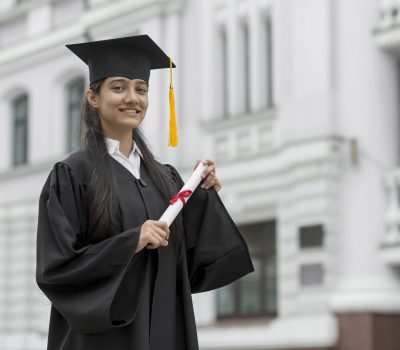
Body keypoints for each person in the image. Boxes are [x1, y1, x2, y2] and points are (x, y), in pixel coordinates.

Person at [36, 34, 254, 350]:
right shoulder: (73, 174)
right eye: (118, 87)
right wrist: (131, 242)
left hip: (165, 328)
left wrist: (202, 191)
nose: (132, 98)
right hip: (105, 338)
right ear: (93, 97)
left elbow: (195, 260)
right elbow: (56, 269)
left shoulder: (165, 178)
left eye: (141, 89)